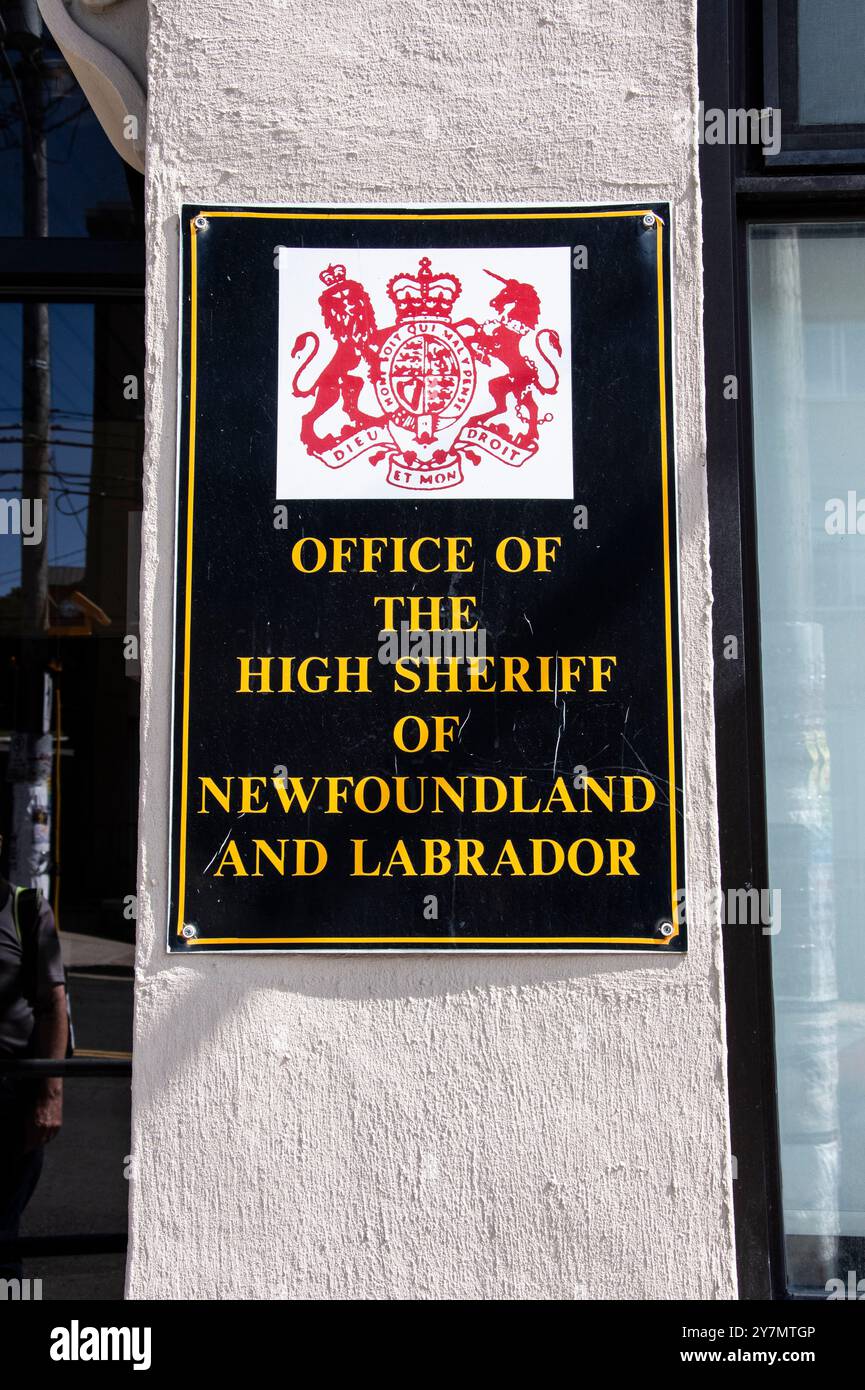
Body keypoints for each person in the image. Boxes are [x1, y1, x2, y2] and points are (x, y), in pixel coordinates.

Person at [0, 871, 67, 1281]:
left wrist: (50, 1097)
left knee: (4, 1236)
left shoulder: (25, 908)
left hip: (10, 1096)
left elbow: (53, 1005)